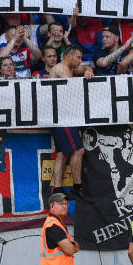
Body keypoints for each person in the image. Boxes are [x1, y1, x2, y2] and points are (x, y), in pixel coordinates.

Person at [49, 46, 93, 198]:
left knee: (62, 153)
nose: (80, 61)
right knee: (79, 150)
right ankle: (78, 187)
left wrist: (88, 70)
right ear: (68, 56)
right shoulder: (58, 69)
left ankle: (58, 189)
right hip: (61, 116)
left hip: (66, 115)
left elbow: (85, 67)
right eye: (78, 57)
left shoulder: (71, 68)